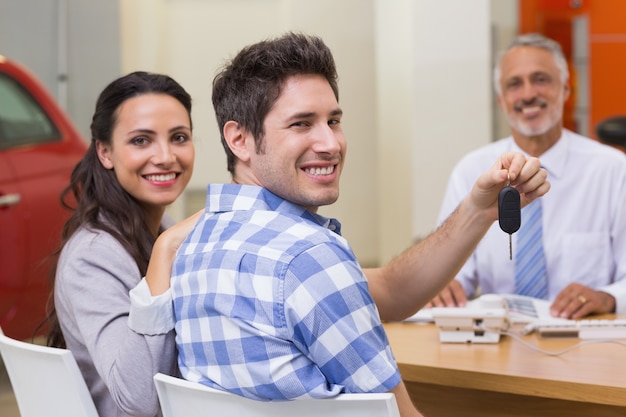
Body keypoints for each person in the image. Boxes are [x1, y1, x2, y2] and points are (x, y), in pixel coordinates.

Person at [161, 32, 548, 417]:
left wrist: (479, 210)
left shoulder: (197, 244)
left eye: (333, 120)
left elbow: (391, 291)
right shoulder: (309, 256)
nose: (330, 143)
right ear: (240, 140)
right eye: (301, 124)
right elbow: (399, 413)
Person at [429, 33, 626, 319]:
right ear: (501, 100)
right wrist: (447, 285)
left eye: (541, 79)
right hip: (499, 345)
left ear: (567, 89)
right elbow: (455, 272)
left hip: (585, 344)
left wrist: (608, 297)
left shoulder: (613, 170)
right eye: (514, 84)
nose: (528, 94)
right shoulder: (472, 171)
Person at [45, 71, 199, 417]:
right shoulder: (94, 255)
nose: (165, 156)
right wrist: (164, 253)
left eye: (178, 137)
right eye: (141, 141)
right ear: (105, 152)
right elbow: (139, 401)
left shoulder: (163, 230)